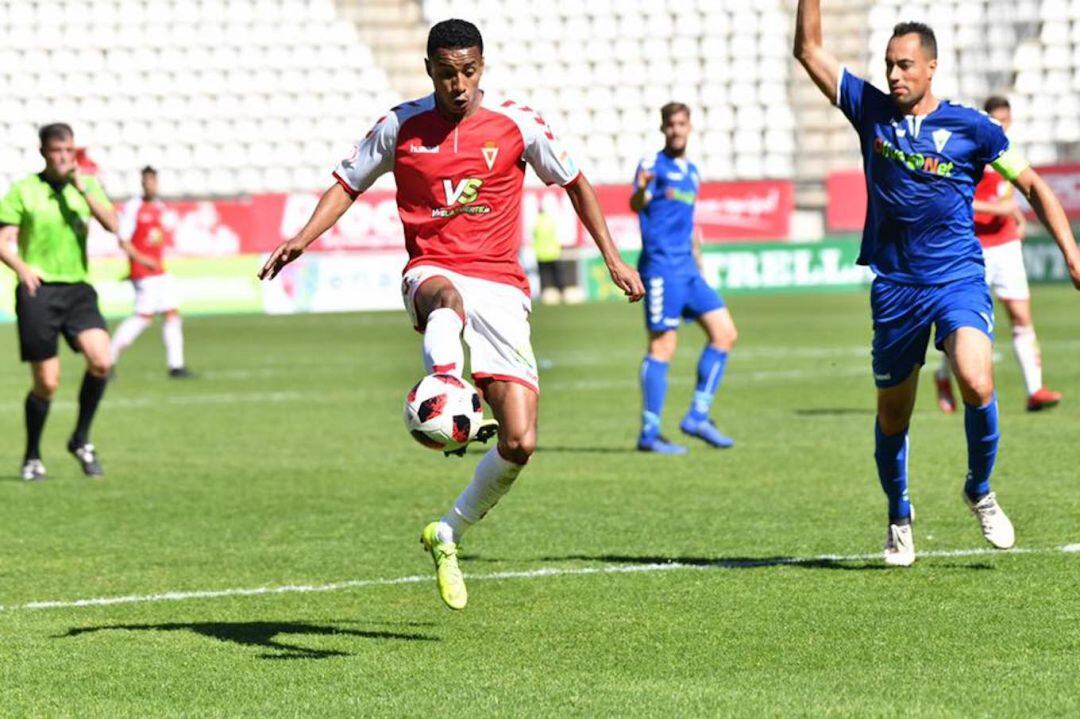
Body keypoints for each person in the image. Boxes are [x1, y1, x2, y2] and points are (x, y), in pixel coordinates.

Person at [259, 19, 643, 609]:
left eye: (468, 71)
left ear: (481, 67)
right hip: (432, 270)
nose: (458, 84)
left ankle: (448, 531)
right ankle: (443, 380)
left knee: (520, 441)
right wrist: (302, 237)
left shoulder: (517, 123)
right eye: (446, 73)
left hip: (504, 289)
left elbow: (576, 183)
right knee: (447, 301)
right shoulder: (399, 126)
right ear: (430, 71)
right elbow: (346, 183)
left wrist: (614, 258)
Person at [794, 1, 1080, 566]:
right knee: (894, 415)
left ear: (930, 69)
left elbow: (1034, 187)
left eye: (904, 65)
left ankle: (979, 488)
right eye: (888, 65)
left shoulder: (975, 128)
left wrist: (1072, 252)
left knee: (976, 380)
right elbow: (808, 50)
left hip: (957, 278)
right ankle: (899, 515)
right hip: (896, 286)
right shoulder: (870, 111)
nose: (894, 75)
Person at [0, 123, 119, 480]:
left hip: (78, 289)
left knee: (102, 360)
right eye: (57, 151)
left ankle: (80, 438)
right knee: (47, 383)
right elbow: (3, 239)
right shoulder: (24, 190)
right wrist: (21, 268)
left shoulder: (87, 186)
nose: (64, 157)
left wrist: (84, 191)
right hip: (39, 291)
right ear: (43, 153)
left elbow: (113, 225)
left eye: (69, 150)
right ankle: (32, 455)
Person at [935, 97, 1060, 414]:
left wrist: (1011, 215)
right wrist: (1004, 210)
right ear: (987, 121)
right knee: (963, 327)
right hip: (971, 250)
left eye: (1007, 119)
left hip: (1005, 248)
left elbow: (1010, 202)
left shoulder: (1009, 156)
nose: (1002, 126)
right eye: (997, 120)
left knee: (1020, 317)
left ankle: (1035, 390)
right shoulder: (969, 154)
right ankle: (942, 374)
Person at [630, 102, 737, 454]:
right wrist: (643, 189)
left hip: (689, 270)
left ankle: (697, 416)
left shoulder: (691, 171)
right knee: (663, 346)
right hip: (661, 268)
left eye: (681, 124)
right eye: (670, 125)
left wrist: (699, 263)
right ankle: (649, 433)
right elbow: (636, 203)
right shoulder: (651, 166)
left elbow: (689, 224)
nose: (676, 130)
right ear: (663, 129)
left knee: (725, 334)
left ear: (689, 127)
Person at [110, 166, 194, 378]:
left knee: (172, 314)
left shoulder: (159, 206)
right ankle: (107, 361)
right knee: (143, 317)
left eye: (154, 181)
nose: (151, 185)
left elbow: (155, 239)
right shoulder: (133, 207)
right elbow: (123, 240)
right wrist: (141, 260)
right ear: (142, 183)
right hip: (144, 272)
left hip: (160, 272)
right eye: (147, 182)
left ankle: (176, 365)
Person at [532, 206, 565, 304]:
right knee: (557, 275)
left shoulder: (536, 223)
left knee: (543, 276)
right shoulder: (550, 221)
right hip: (553, 253)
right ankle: (561, 293)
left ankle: (543, 295)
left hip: (541, 254)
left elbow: (534, 236)